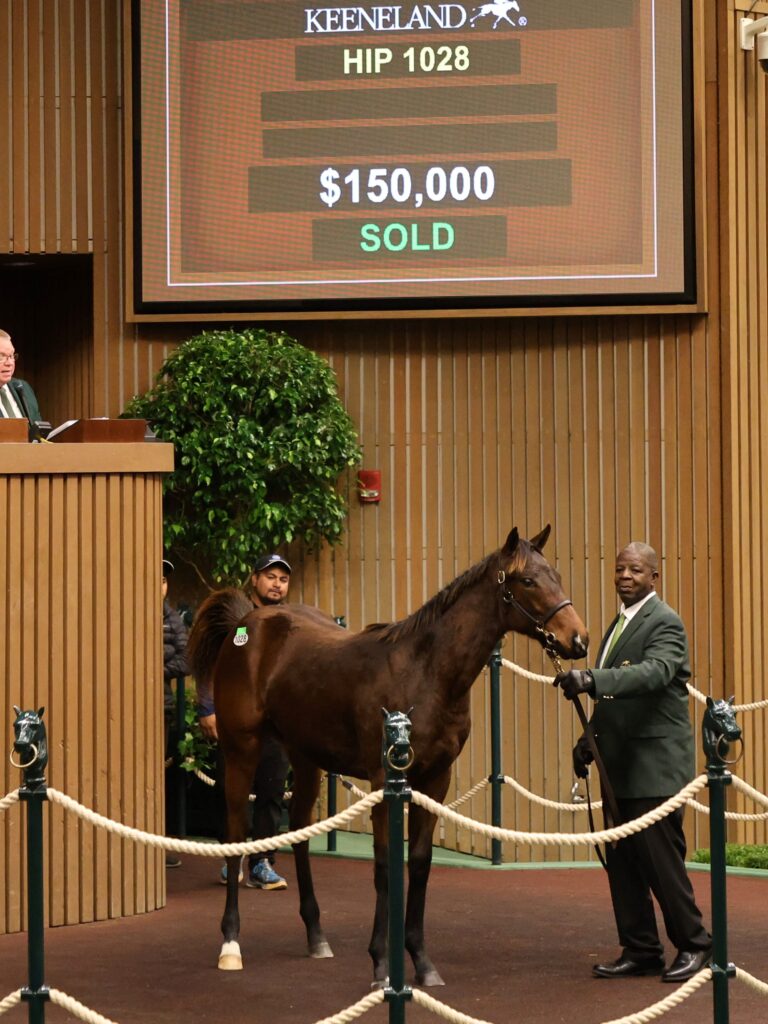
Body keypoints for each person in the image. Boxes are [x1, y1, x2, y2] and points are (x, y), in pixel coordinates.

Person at [554, 542, 711, 983]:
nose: (625, 576)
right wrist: (588, 740)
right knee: (624, 864)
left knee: (661, 862)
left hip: (654, 766)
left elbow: (655, 673)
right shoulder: (619, 624)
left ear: (654, 577)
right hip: (619, 767)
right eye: (620, 569)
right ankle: (641, 949)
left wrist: (591, 678)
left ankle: (696, 945)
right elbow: (616, 698)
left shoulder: (665, 622)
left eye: (636, 570)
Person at [197, 554, 292, 891]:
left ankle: (262, 863)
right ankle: (231, 859)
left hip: (276, 724)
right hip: (235, 722)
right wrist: (207, 708)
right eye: (270, 576)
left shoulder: (290, 623)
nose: (277, 584)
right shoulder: (235, 618)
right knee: (230, 791)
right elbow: (209, 663)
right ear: (254, 579)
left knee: (272, 790)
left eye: (283, 579)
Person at [163, 558, 189, 868]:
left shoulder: (172, 618)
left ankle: (157, 842)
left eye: (164, 580)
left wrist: (156, 669)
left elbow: (187, 658)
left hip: (161, 707)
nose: (160, 586)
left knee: (158, 778)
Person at [0, 329, 42, 422]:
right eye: (1, 356)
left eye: (11, 356)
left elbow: (38, 427)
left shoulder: (23, 388)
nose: (9, 363)